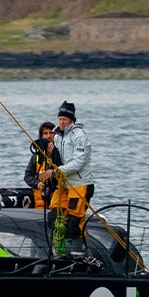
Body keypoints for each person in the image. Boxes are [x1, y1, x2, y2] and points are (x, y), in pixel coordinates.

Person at [50, 100, 94, 255]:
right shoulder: (57, 136)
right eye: (60, 119)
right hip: (64, 184)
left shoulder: (79, 136)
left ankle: (78, 252)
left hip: (80, 184)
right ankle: (58, 251)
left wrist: (55, 172)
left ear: (72, 120)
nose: (62, 122)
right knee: (54, 217)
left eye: (65, 119)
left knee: (74, 223)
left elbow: (78, 162)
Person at [25, 121, 60, 208]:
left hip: (57, 198)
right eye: (45, 133)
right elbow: (27, 176)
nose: (48, 136)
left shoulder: (61, 153)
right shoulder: (36, 156)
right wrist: (37, 184)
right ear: (41, 136)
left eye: (51, 133)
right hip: (40, 201)